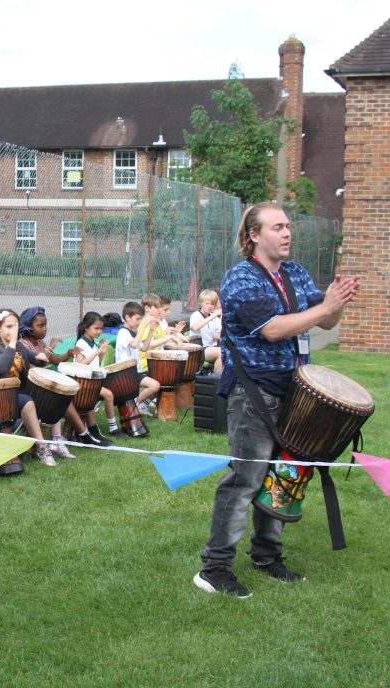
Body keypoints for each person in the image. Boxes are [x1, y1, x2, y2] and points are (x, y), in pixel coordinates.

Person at [193, 202, 359, 598]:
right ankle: (214, 569)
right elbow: (274, 330)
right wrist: (324, 307)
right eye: (278, 227)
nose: (287, 233)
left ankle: (267, 556)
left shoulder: (296, 273)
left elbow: (325, 319)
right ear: (254, 235)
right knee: (246, 479)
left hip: (295, 392)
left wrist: (334, 303)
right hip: (254, 393)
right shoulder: (241, 278)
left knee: (283, 474)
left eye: (288, 226)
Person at [0, 308, 57, 466]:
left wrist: (43, 355)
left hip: (17, 396)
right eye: (9, 326)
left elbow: (37, 360)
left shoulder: (20, 347)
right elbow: (3, 367)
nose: (13, 330)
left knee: (51, 394)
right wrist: (12, 343)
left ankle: (57, 440)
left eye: (15, 326)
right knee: (28, 401)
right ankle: (42, 447)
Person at [18, 306, 87, 459]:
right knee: (60, 398)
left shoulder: (40, 342)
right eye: (40, 326)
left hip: (43, 388)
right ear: (28, 327)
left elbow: (54, 359)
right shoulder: (22, 344)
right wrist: (49, 349)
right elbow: (28, 367)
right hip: (30, 388)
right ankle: (80, 434)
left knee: (60, 397)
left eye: (45, 325)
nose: (44, 329)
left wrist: (69, 353)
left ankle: (58, 439)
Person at [73, 311, 117, 445]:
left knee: (105, 394)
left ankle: (103, 428)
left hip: (90, 383)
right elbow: (81, 365)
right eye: (96, 328)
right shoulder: (80, 344)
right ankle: (97, 429)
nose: (99, 331)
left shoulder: (93, 343)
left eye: (101, 328)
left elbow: (95, 362)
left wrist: (101, 352)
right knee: (105, 395)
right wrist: (98, 351)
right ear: (86, 327)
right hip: (80, 383)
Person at [115, 301, 161, 419]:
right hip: (125, 373)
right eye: (137, 319)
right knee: (155, 386)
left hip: (135, 372)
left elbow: (144, 348)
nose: (139, 322)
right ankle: (134, 405)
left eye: (141, 319)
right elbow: (135, 344)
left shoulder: (131, 333)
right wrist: (144, 325)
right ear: (127, 317)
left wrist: (151, 330)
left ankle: (135, 404)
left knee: (156, 385)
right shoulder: (123, 332)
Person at [189, 289, 223, 372]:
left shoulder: (214, 317)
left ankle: (218, 375)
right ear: (201, 303)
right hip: (198, 349)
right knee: (221, 352)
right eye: (207, 303)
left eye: (212, 304)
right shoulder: (195, 315)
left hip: (209, 347)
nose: (210, 306)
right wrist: (213, 316)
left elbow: (219, 334)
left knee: (227, 352)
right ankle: (216, 377)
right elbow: (195, 327)